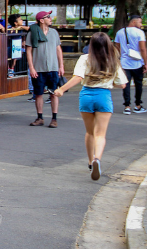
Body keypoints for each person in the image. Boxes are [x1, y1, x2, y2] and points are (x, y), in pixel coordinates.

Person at [54, 32, 128, 181]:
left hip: (86, 96)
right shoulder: (113, 60)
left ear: (92, 45)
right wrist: (109, 81)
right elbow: (122, 84)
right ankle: (97, 159)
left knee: (90, 132)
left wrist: (61, 89)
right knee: (100, 134)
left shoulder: (85, 58)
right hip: (104, 96)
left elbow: (78, 77)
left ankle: (89, 162)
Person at [27, 10, 64, 128]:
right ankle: (40, 117)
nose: (50, 18)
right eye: (48, 17)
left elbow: (58, 49)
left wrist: (61, 65)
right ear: (41, 20)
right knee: (38, 93)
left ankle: (54, 118)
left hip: (52, 67)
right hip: (38, 67)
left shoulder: (54, 32)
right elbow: (28, 50)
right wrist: (31, 67)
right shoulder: (32, 32)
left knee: (54, 93)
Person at [113, 15, 147, 114]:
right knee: (138, 84)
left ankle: (127, 106)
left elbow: (117, 47)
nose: (141, 25)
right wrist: (146, 63)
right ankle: (138, 105)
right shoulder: (140, 33)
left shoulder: (120, 32)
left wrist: (118, 60)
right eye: (140, 22)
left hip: (124, 63)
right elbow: (142, 49)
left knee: (126, 84)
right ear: (134, 22)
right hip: (137, 63)